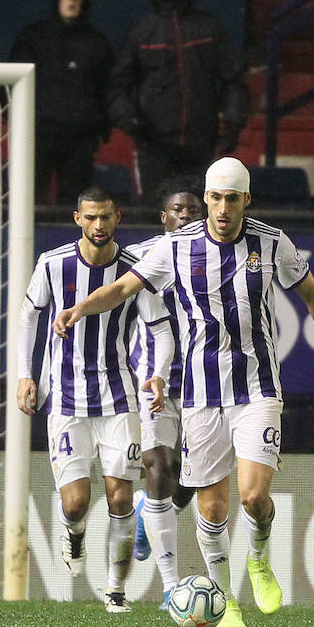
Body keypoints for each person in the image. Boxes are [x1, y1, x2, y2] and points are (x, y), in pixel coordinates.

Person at [54, 157, 314, 627]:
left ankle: (258, 558)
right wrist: (81, 308)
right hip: (200, 395)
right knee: (211, 505)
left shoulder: (271, 242)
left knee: (254, 495)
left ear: (246, 201)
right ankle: (226, 602)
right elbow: (121, 288)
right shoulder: (176, 248)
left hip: (257, 387)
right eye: (215, 198)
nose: (222, 208)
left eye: (231, 199)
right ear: (207, 199)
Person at [15, 186, 173, 614]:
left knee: (121, 498)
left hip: (120, 398)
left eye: (106, 217)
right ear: (77, 219)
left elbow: (160, 328)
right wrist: (25, 375)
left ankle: (115, 592)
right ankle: (75, 532)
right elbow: (29, 316)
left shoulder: (134, 271)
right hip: (65, 400)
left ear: (117, 217)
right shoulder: (52, 264)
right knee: (75, 502)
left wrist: (156, 375)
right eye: (91, 218)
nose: (99, 225)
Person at [108, 0, 248, 200]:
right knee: (155, 212)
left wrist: (233, 125)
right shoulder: (142, 32)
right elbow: (118, 85)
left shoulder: (208, 28)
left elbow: (233, 80)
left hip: (201, 139)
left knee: (200, 212)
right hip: (153, 142)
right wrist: (129, 120)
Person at [125, 186, 203, 605]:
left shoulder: (216, 253)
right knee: (158, 466)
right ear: (163, 216)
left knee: (188, 480)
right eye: (178, 210)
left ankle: (146, 512)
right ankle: (172, 586)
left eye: (194, 210)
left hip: (202, 381)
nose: (187, 216)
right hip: (150, 378)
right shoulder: (140, 256)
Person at [10, 0, 115, 206]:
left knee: (75, 205)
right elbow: (14, 87)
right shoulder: (34, 38)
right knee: (30, 203)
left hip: (81, 138)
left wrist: (101, 127)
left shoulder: (97, 43)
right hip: (38, 135)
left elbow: (108, 88)